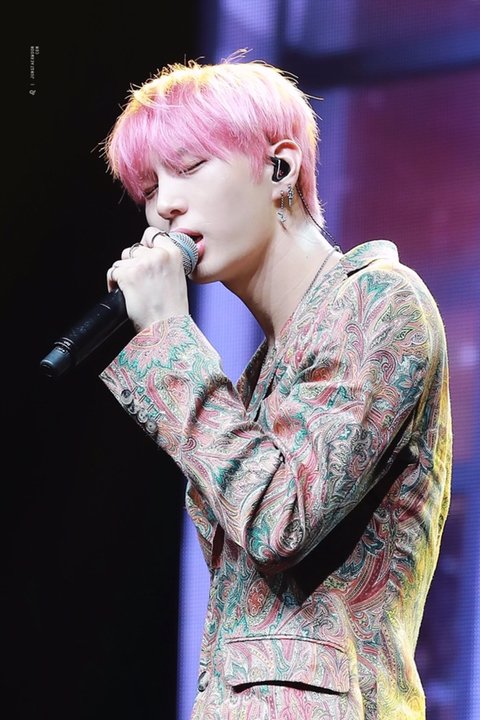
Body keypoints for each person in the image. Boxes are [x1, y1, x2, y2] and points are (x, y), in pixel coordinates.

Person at [99, 53, 452, 719]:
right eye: (150, 186)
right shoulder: (259, 379)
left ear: (280, 169)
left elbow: (278, 521)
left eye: (190, 167)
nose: (164, 204)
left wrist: (170, 337)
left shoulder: (379, 302)